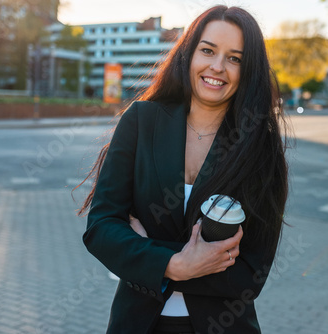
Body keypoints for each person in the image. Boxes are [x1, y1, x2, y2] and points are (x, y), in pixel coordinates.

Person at [76, 6, 289, 334]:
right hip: (137, 324)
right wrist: (176, 263)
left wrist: (147, 255)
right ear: (189, 54)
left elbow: (251, 275)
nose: (217, 67)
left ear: (248, 70)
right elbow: (102, 228)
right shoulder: (141, 121)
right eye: (208, 50)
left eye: (235, 58)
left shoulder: (261, 146)